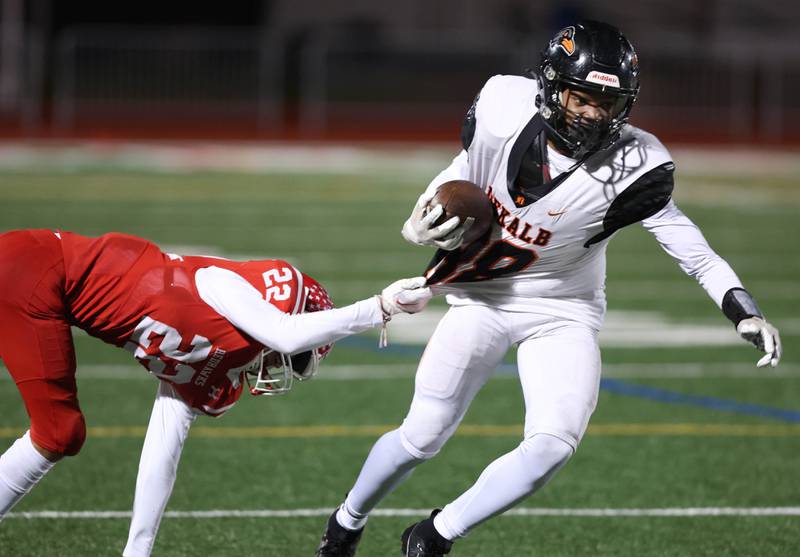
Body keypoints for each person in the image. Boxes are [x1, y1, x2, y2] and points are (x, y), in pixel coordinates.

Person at [314, 20, 782, 557]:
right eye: (582, 97)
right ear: (552, 86)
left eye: (607, 103)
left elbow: (692, 249)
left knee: (553, 444)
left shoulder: (637, 166)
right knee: (421, 436)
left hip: (563, 308)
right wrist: (423, 212)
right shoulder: (502, 105)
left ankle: (434, 536)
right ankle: (346, 522)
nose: (592, 113)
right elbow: (469, 167)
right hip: (481, 299)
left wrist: (742, 309)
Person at [0, 228, 432, 556]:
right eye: (295, 359)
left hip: (39, 282)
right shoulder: (219, 283)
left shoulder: (212, 363)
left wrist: (138, 548)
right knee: (59, 433)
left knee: (61, 433)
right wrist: (379, 308)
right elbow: (283, 334)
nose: (278, 367)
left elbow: (162, 452)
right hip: (35, 270)